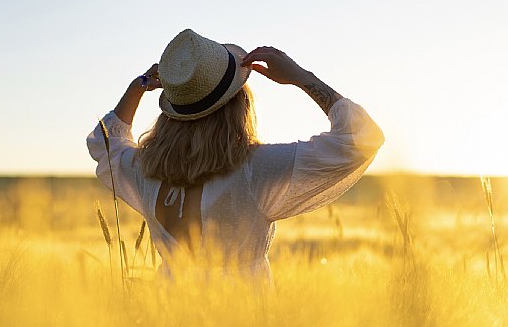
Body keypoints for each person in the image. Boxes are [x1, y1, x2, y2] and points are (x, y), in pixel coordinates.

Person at [86, 29, 384, 284]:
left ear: (172, 112)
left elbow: (104, 144)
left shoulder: (145, 171)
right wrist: (300, 76)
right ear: (238, 104)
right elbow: (361, 138)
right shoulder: (257, 169)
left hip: (170, 314)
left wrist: (139, 86)